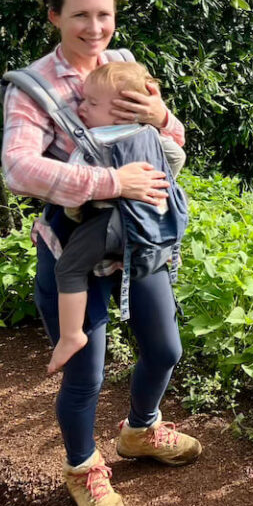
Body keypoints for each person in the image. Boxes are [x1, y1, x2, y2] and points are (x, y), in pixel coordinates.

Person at [1, 0, 201, 506]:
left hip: (139, 237)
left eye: (104, 15)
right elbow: (18, 168)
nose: (94, 28)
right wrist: (110, 182)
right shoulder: (33, 87)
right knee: (86, 371)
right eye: (80, 15)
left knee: (164, 348)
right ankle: (82, 466)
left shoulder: (124, 65)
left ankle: (141, 429)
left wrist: (163, 115)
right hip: (77, 242)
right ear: (55, 16)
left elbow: (165, 141)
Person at [47, 60, 187, 376]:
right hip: (148, 226)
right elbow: (177, 155)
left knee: (68, 268)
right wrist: (159, 184)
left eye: (92, 103)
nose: (82, 108)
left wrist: (77, 214)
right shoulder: (151, 135)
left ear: (120, 111)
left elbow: (74, 193)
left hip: (106, 225)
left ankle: (71, 336)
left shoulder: (92, 142)